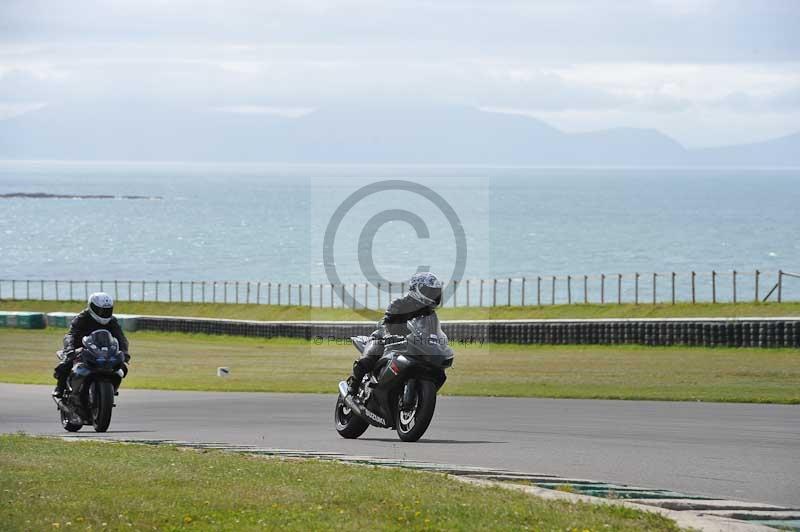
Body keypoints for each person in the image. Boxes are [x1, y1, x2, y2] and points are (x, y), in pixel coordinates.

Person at [347, 272, 442, 395]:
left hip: (411, 346)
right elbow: (385, 323)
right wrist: (388, 336)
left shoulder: (430, 315)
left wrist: (439, 344)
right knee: (368, 359)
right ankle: (353, 386)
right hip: (384, 340)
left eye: (435, 293)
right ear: (417, 289)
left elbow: (433, 333)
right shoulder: (399, 304)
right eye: (429, 292)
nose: (433, 296)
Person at [52, 292, 130, 397]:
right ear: (91, 307)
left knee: (121, 366)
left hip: (103, 349)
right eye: (100, 310)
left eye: (107, 310)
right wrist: (70, 349)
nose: (103, 313)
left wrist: (124, 352)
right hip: (81, 348)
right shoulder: (82, 318)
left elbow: (121, 337)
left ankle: (110, 389)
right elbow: (71, 334)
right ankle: (60, 387)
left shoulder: (112, 321)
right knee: (66, 364)